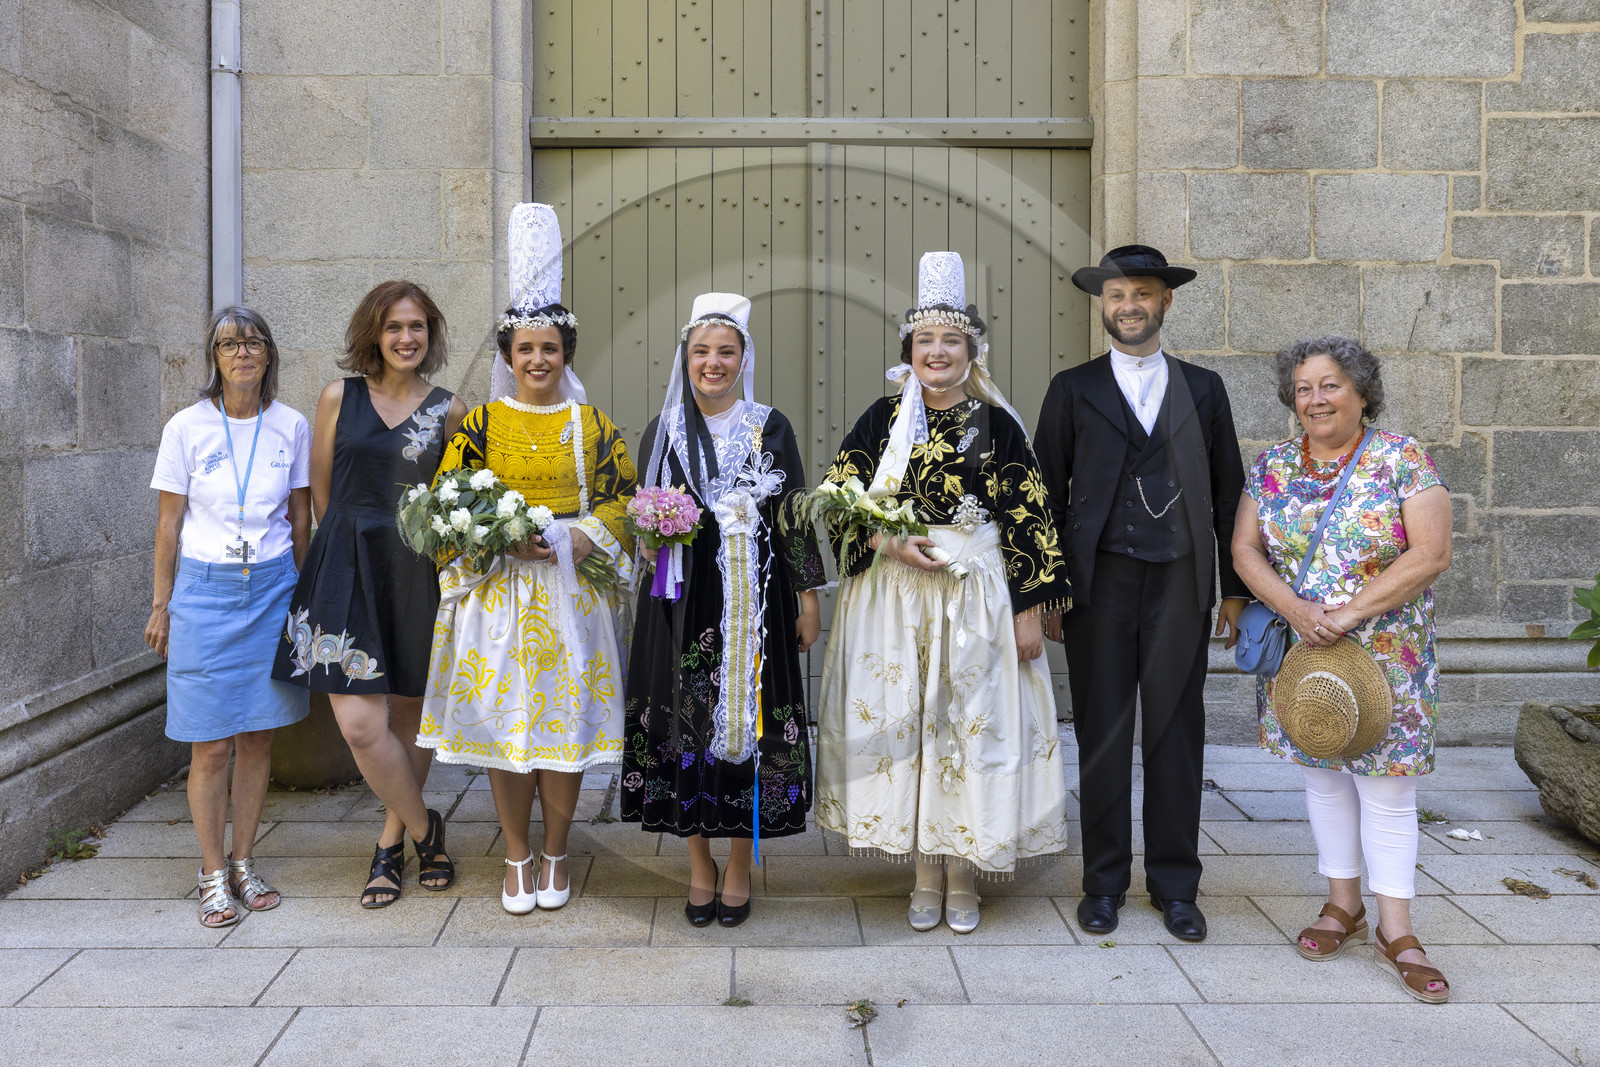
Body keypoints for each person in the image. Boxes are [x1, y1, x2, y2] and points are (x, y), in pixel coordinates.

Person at [816, 251, 1071, 935]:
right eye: (925, 340)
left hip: (975, 598)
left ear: (971, 351)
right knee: (911, 729)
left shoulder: (998, 426)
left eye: (951, 340)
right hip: (895, 601)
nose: (937, 351)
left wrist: (1028, 611)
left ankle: (964, 873)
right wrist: (889, 542)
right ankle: (923, 872)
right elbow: (838, 500)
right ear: (909, 350)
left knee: (967, 731)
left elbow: (1030, 519)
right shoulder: (880, 422)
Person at [419, 204, 637, 914]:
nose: (538, 361)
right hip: (499, 596)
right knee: (508, 730)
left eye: (550, 349)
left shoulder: (592, 425)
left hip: (570, 594)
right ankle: (516, 853)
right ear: (508, 357)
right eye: (525, 349)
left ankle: (557, 850)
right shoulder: (482, 424)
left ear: (565, 354)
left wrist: (585, 536)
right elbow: (447, 501)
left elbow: (624, 498)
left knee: (562, 730)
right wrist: (499, 536)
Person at [1034, 244, 1247, 942]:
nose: (1129, 305)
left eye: (1142, 293)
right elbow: (1043, 494)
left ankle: (1176, 885)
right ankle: (1103, 882)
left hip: (1181, 581)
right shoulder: (1072, 388)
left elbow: (1230, 493)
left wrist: (1235, 591)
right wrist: (1049, 589)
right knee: (1102, 732)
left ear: (1166, 301)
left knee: (1176, 731)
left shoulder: (1204, 388)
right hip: (1096, 585)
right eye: (1117, 294)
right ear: (1103, 304)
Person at [1232, 336, 1452, 1003]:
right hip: (1305, 652)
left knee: (1387, 790)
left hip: (1387, 654)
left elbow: (1431, 553)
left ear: (1361, 392)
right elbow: (1244, 550)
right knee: (1324, 777)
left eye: (1330, 385)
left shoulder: (1401, 458)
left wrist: (1350, 613)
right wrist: (1297, 610)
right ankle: (1342, 905)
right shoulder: (1272, 465)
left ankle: (1397, 930)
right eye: (1304, 388)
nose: (1316, 399)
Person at [621, 292, 825, 929]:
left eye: (726, 352)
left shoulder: (770, 426)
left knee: (751, 723)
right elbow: (641, 516)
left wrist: (808, 597)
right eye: (701, 351)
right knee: (684, 722)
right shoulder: (663, 431)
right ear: (685, 359)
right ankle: (698, 863)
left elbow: (792, 516)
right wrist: (650, 531)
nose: (713, 363)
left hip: (754, 601)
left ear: (744, 359)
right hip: (680, 601)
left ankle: (739, 863)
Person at [271, 280, 467, 908]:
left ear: (430, 334)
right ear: (373, 335)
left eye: (417, 327)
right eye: (394, 327)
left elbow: (457, 500)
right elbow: (321, 493)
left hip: (416, 570)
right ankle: (426, 829)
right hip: (344, 562)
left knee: (409, 715)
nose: (406, 338)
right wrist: (339, 553)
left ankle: (390, 843)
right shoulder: (339, 396)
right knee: (360, 725)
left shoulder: (451, 410)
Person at [148, 306, 311, 927]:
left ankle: (244, 861)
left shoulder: (290, 424)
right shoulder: (186, 427)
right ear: (213, 358)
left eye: (253, 343)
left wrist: (302, 595)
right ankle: (212, 872)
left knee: (259, 735)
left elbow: (300, 518)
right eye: (228, 344)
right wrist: (161, 605)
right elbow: (168, 525)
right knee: (211, 742)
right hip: (204, 593)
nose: (242, 353)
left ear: (269, 355)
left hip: (271, 590)